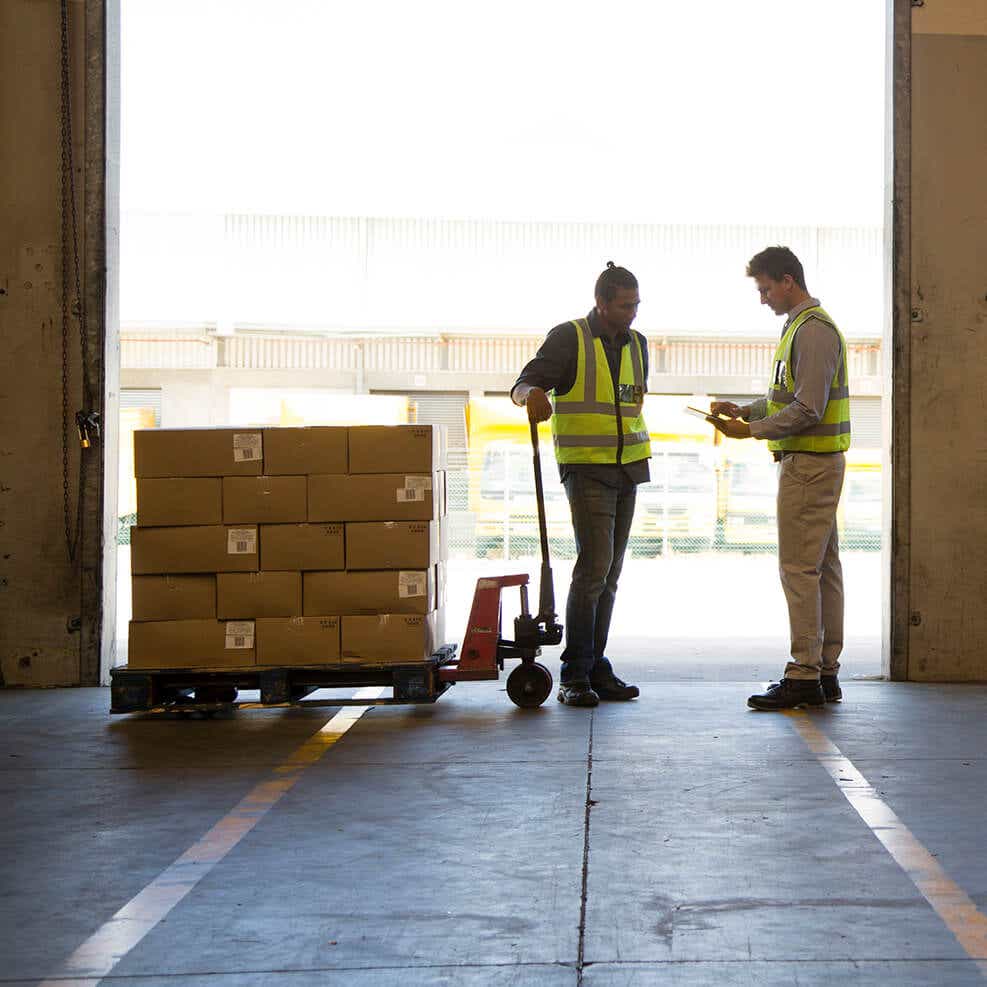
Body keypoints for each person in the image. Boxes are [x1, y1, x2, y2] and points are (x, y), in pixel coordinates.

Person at [710, 246, 851, 711]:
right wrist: (745, 410)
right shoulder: (801, 329)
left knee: (799, 570)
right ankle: (824, 671)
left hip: (808, 467)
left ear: (788, 281)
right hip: (816, 465)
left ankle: (804, 674)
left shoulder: (811, 333)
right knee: (823, 569)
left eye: (766, 288)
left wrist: (749, 431)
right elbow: (786, 397)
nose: (763, 297)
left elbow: (808, 408)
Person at [511, 262, 648, 707]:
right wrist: (530, 396)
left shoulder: (638, 345)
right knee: (593, 570)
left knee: (609, 575)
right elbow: (523, 383)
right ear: (602, 303)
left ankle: (594, 665)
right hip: (587, 467)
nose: (632, 313)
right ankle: (574, 674)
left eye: (636, 305)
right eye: (624, 305)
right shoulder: (569, 337)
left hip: (629, 467)